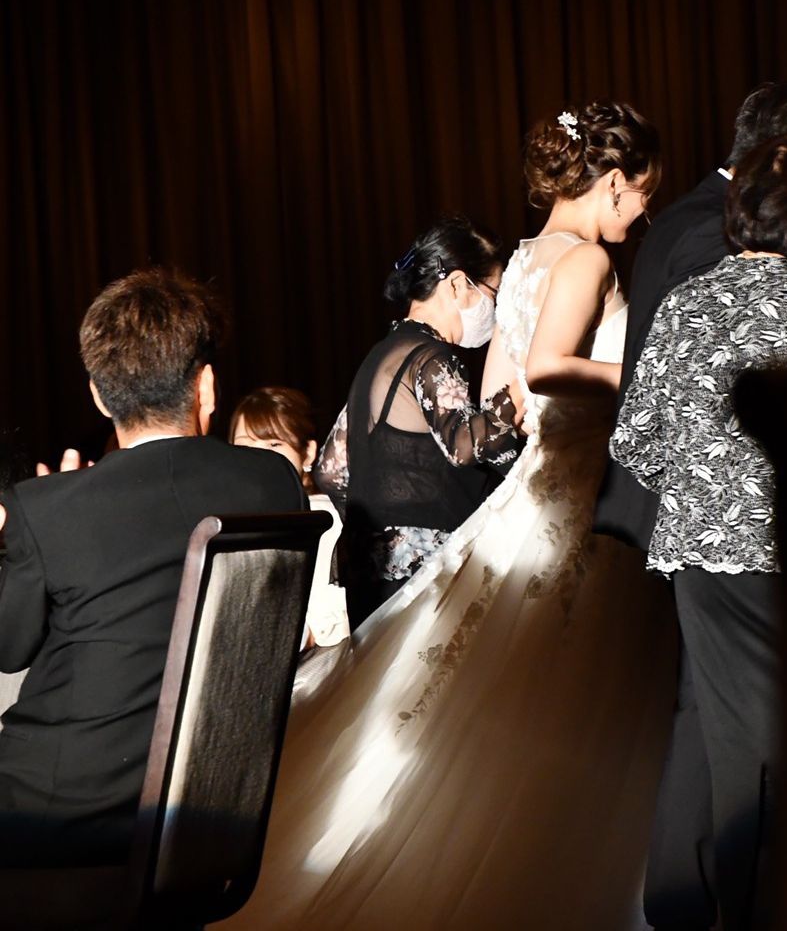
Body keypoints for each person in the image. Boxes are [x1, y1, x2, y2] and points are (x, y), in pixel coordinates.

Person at [222, 101, 677, 931]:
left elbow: (495, 399)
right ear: (614, 182)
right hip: (576, 491)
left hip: (530, 489)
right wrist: (651, 380)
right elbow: (543, 372)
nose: (644, 214)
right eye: (643, 194)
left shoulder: (523, 262)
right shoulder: (585, 261)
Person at [596, 79, 787, 930]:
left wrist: (698, 482)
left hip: (700, 557)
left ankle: (705, 902)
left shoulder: (688, 302)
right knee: (779, 733)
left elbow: (634, 439)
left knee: (727, 726)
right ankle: (758, 902)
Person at [0, 268, 308, 867]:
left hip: (55, 821)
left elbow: (8, 650)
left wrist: (40, 528)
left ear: (98, 394)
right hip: (214, 820)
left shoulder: (44, 509)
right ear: (207, 386)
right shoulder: (273, 482)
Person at [314, 217, 526, 627]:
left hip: (367, 568)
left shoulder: (378, 358)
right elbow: (464, 445)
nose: (495, 310)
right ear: (458, 284)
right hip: (420, 567)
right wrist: (525, 383)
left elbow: (330, 469)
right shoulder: (430, 356)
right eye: (494, 293)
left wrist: (377, 527)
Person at [230, 386, 349, 648]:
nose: (259, 457)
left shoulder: (325, 518)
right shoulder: (230, 518)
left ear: (308, 452)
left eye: (274, 444)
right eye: (245, 445)